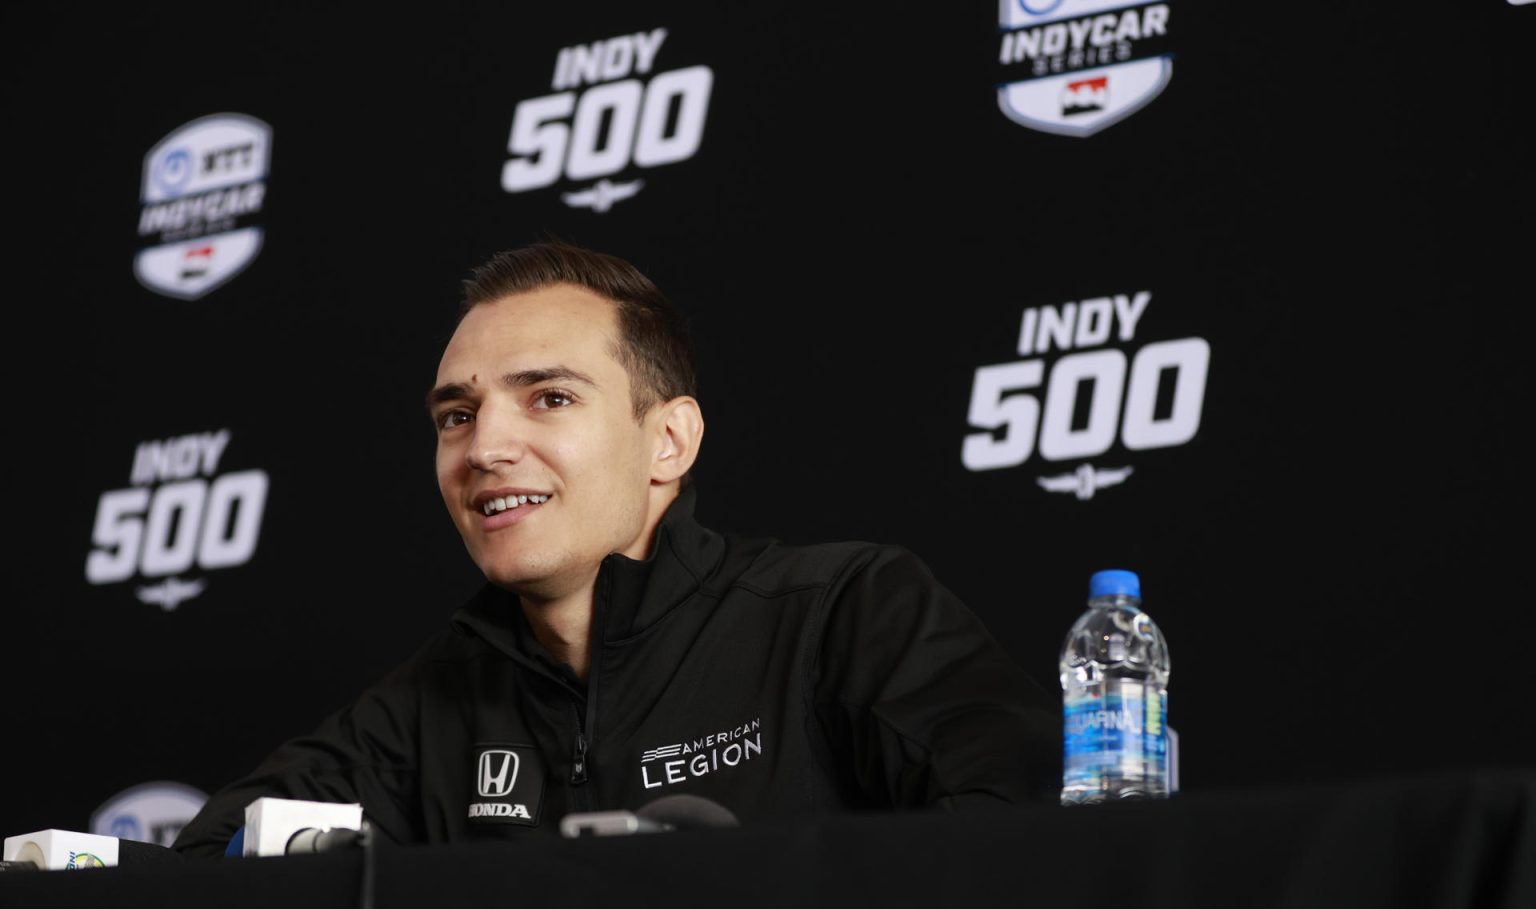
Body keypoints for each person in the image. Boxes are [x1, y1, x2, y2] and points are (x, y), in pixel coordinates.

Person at [172, 240, 1061, 858]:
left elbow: (1028, 848)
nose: (484, 448)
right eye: (457, 414)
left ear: (668, 443)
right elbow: (213, 864)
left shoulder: (844, 611)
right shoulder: (426, 705)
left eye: (549, 398)